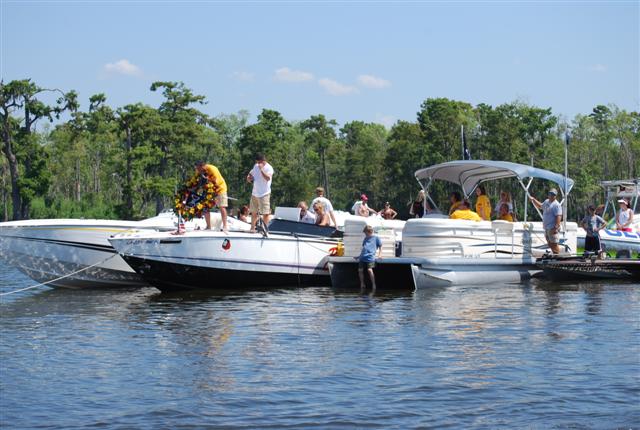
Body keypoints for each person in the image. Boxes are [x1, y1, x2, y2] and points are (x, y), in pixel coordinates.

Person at [195, 161, 228, 231]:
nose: (197, 170)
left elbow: (216, 182)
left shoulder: (212, 169)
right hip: (208, 190)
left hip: (220, 188)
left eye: (198, 169)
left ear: (202, 166)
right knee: (205, 207)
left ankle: (225, 226)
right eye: (197, 169)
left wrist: (207, 180)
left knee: (222, 206)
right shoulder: (199, 171)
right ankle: (208, 226)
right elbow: (196, 181)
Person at [529, 188, 563, 254]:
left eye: (553, 194)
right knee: (550, 243)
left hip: (552, 227)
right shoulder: (546, 201)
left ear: (555, 196)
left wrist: (555, 228)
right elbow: (540, 206)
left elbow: (559, 216)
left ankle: (558, 257)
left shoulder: (556, 205)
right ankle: (554, 255)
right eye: (550, 194)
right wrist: (533, 200)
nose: (551, 195)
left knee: (554, 244)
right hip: (547, 227)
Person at [246, 153, 274, 233]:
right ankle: (252, 228)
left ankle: (264, 230)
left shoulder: (269, 168)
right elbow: (251, 173)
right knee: (253, 212)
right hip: (255, 193)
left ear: (263, 160)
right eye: (257, 162)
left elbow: (268, 178)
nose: (258, 164)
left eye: (259, 162)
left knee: (265, 213)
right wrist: (249, 177)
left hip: (264, 193)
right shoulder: (256, 166)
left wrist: (261, 169)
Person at [355, 225, 382, 291]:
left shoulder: (376, 238)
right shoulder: (365, 238)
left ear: (370, 232)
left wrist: (380, 255)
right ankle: (362, 284)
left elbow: (380, 246)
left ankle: (373, 284)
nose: (365, 234)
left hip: (370, 257)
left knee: (369, 270)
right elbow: (364, 248)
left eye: (366, 233)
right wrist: (359, 256)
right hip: (362, 257)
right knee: (360, 270)